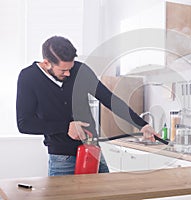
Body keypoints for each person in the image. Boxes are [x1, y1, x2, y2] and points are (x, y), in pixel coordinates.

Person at [16, 36, 158, 176]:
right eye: (63, 70)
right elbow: (25, 124)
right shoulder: (28, 77)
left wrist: (142, 125)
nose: (69, 73)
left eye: (70, 68)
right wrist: (66, 127)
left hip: (93, 150)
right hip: (62, 158)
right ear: (47, 63)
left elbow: (109, 99)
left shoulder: (80, 70)